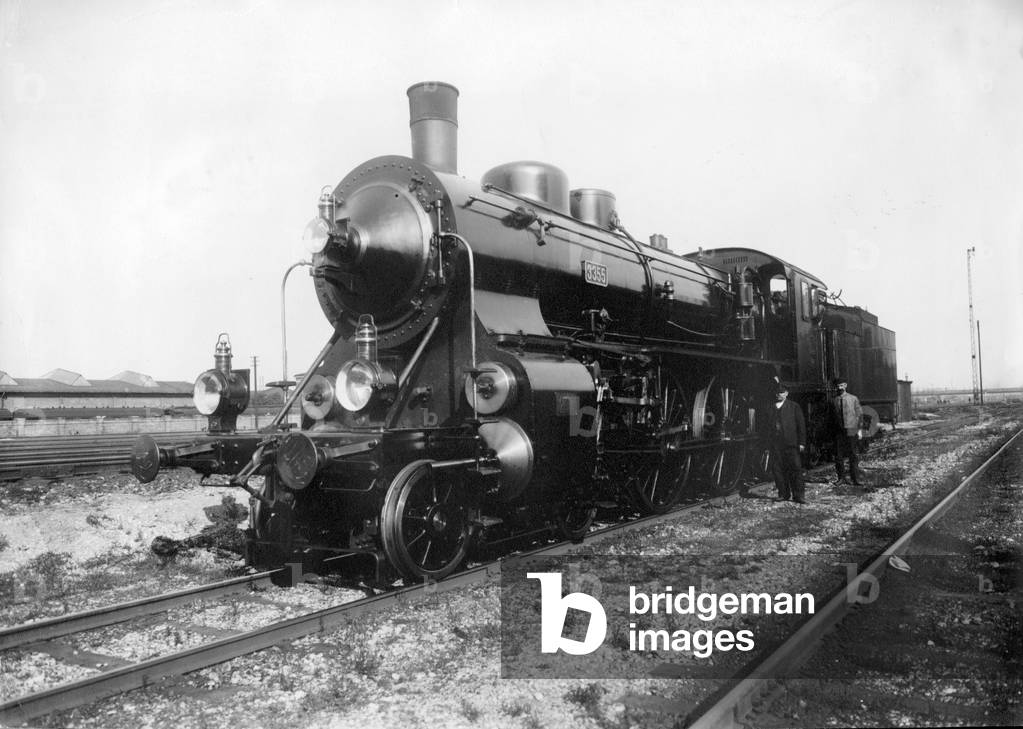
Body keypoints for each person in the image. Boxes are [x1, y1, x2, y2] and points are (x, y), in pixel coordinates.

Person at [768, 383, 807, 504]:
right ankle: (783, 494)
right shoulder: (771, 407)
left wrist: (802, 442)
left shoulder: (794, 406)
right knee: (778, 470)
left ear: (786, 393)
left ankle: (798, 495)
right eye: (777, 392)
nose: (779, 394)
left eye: (781, 392)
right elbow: (767, 427)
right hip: (776, 444)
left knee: (796, 469)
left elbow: (801, 425)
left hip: (791, 443)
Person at [831, 376, 863, 486]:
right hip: (838, 431)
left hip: (851, 429)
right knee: (838, 456)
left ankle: (855, 479)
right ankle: (841, 478)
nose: (840, 388)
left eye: (841, 385)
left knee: (853, 455)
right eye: (838, 386)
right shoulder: (834, 400)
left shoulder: (853, 399)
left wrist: (859, 430)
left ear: (845, 386)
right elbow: (831, 417)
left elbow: (859, 415)